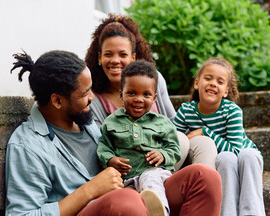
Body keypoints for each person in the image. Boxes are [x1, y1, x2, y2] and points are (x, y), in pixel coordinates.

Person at [6, 49, 222, 216]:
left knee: (204, 178)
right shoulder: (27, 146)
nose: (92, 98)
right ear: (57, 101)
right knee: (126, 203)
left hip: (129, 211)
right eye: (84, 93)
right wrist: (90, 190)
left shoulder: (86, 123)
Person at [85, 13, 217, 170]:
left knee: (203, 143)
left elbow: (173, 123)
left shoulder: (154, 79)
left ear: (133, 57)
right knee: (179, 140)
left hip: (166, 155)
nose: (115, 60)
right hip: (131, 167)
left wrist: (167, 151)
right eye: (108, 54)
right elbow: (102, 144)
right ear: (99, 57)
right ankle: (156, 190)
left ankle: (200, 189)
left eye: (123, 54)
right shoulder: (94, 96)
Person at [173, 57, 266, 216]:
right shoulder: (186, 111)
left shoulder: (232, 111)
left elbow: (236, 150)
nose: (213, 84)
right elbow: (173, 139)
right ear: (197, 82)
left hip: (245, 159)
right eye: (208, 78)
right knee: (224, 158)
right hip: (224, 162)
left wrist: (204, 132)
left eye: (220, 81)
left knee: (243, 155)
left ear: (226, 91)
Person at [97, 60, 181, 216]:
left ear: (154, 98)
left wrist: (163, 154)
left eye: (146, 94)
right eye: (132, 93)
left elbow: (174, 148)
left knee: (149, 178)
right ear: (122, 94)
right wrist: (110, 160)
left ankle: (161, 215)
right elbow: (104, 147)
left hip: (157, 175)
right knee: (122, 198)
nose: (138, 99)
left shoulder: (162, 123)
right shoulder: (111, 122)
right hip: (127, 179)